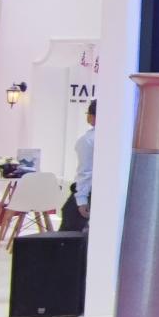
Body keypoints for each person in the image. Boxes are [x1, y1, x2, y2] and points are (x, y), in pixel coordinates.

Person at [60, 99, 96, 232]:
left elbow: (85, 171)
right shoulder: (117, 137)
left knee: (70, 229)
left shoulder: (88, 140)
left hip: (88, 192)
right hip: (103, 192)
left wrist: (81, 199)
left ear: (92, 116)